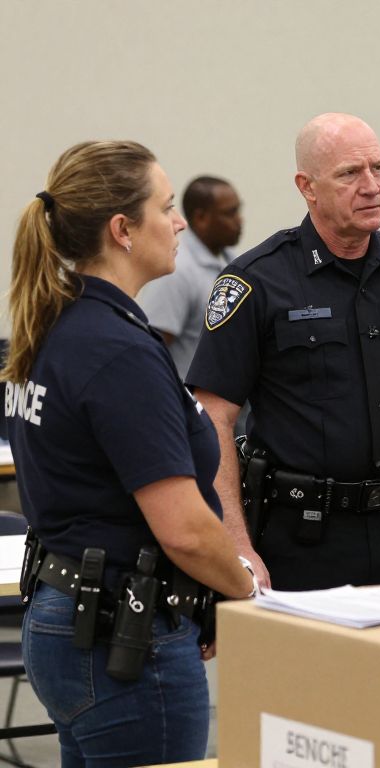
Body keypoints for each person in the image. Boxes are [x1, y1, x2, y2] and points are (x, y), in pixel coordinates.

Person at [2, 140, 257, 766]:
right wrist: (244, 588)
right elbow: (184, 529)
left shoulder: (59, 324)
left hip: (73, 617)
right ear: (122, 229)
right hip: (123, 636)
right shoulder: (117, 351)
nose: (179, 223)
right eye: (166, 208)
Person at [187, 113, 380, 591]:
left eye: (378, 169)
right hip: (301, 541)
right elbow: (212, 418)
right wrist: (236, 545)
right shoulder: (258, 282)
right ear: (307, 187)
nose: (371, 186)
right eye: (350, 173)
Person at [138, 175, 243, 376]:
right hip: (185, 395)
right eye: (229, 213)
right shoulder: (176, 270)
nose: (239, 220)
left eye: (238, 210)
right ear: (201, 218)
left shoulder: (231, 261)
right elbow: (152, 349)